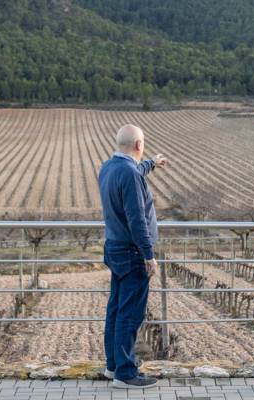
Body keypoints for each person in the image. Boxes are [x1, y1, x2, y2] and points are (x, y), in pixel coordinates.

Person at [98, 124, 167, 389]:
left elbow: (135, 171)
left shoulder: (110, 167)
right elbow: (137, 218)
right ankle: (126, 374)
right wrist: (148, 255)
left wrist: (153, 163)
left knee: (115, 309)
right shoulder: (129, 173)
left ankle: (113, 365)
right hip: (131, 252)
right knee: (130, 313)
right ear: (139, 145)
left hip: (114, 247)